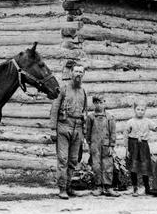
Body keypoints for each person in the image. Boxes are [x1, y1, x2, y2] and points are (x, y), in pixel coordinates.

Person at [50, 63, 88, 200]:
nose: (78, 74)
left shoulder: (83, 91)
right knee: (63, 159)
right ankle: (62, 189)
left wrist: (84, 132)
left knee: (73, 160)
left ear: (83, 74)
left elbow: (85, 112)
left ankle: (68, 186)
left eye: (81, 72)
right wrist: (53, 129)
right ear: (71, 73)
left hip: (78, 128)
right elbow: (54, 109)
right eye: (76, 71)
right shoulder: (63, 89)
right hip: (63, 126)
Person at [124, 98, 157, 197]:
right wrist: (126, 148)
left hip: (143, 146)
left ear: (145, 111)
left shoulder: (147, 121)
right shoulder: (130, 122)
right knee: (133, 167)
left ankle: (147, 187)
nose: (140, 112)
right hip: (133, 145)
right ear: (134, 109)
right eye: (138, 109)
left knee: (145, 166)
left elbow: (156, 128)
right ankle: (135, 187)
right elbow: (126, 134)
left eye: (142, 110)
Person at [85, 94, 120, 197]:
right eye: (97, 103)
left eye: (101, 102)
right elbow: (88, 132)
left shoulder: (110, 117)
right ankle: (99, 187)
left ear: (104, 103)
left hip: (106, 145)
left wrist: (111, 146)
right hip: (95, 145)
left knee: (108, 165)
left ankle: (108, 187)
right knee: (96, 166)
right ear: (94, 104)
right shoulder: (90, 117)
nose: (99, 105)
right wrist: (89, 144)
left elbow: (113, 132)